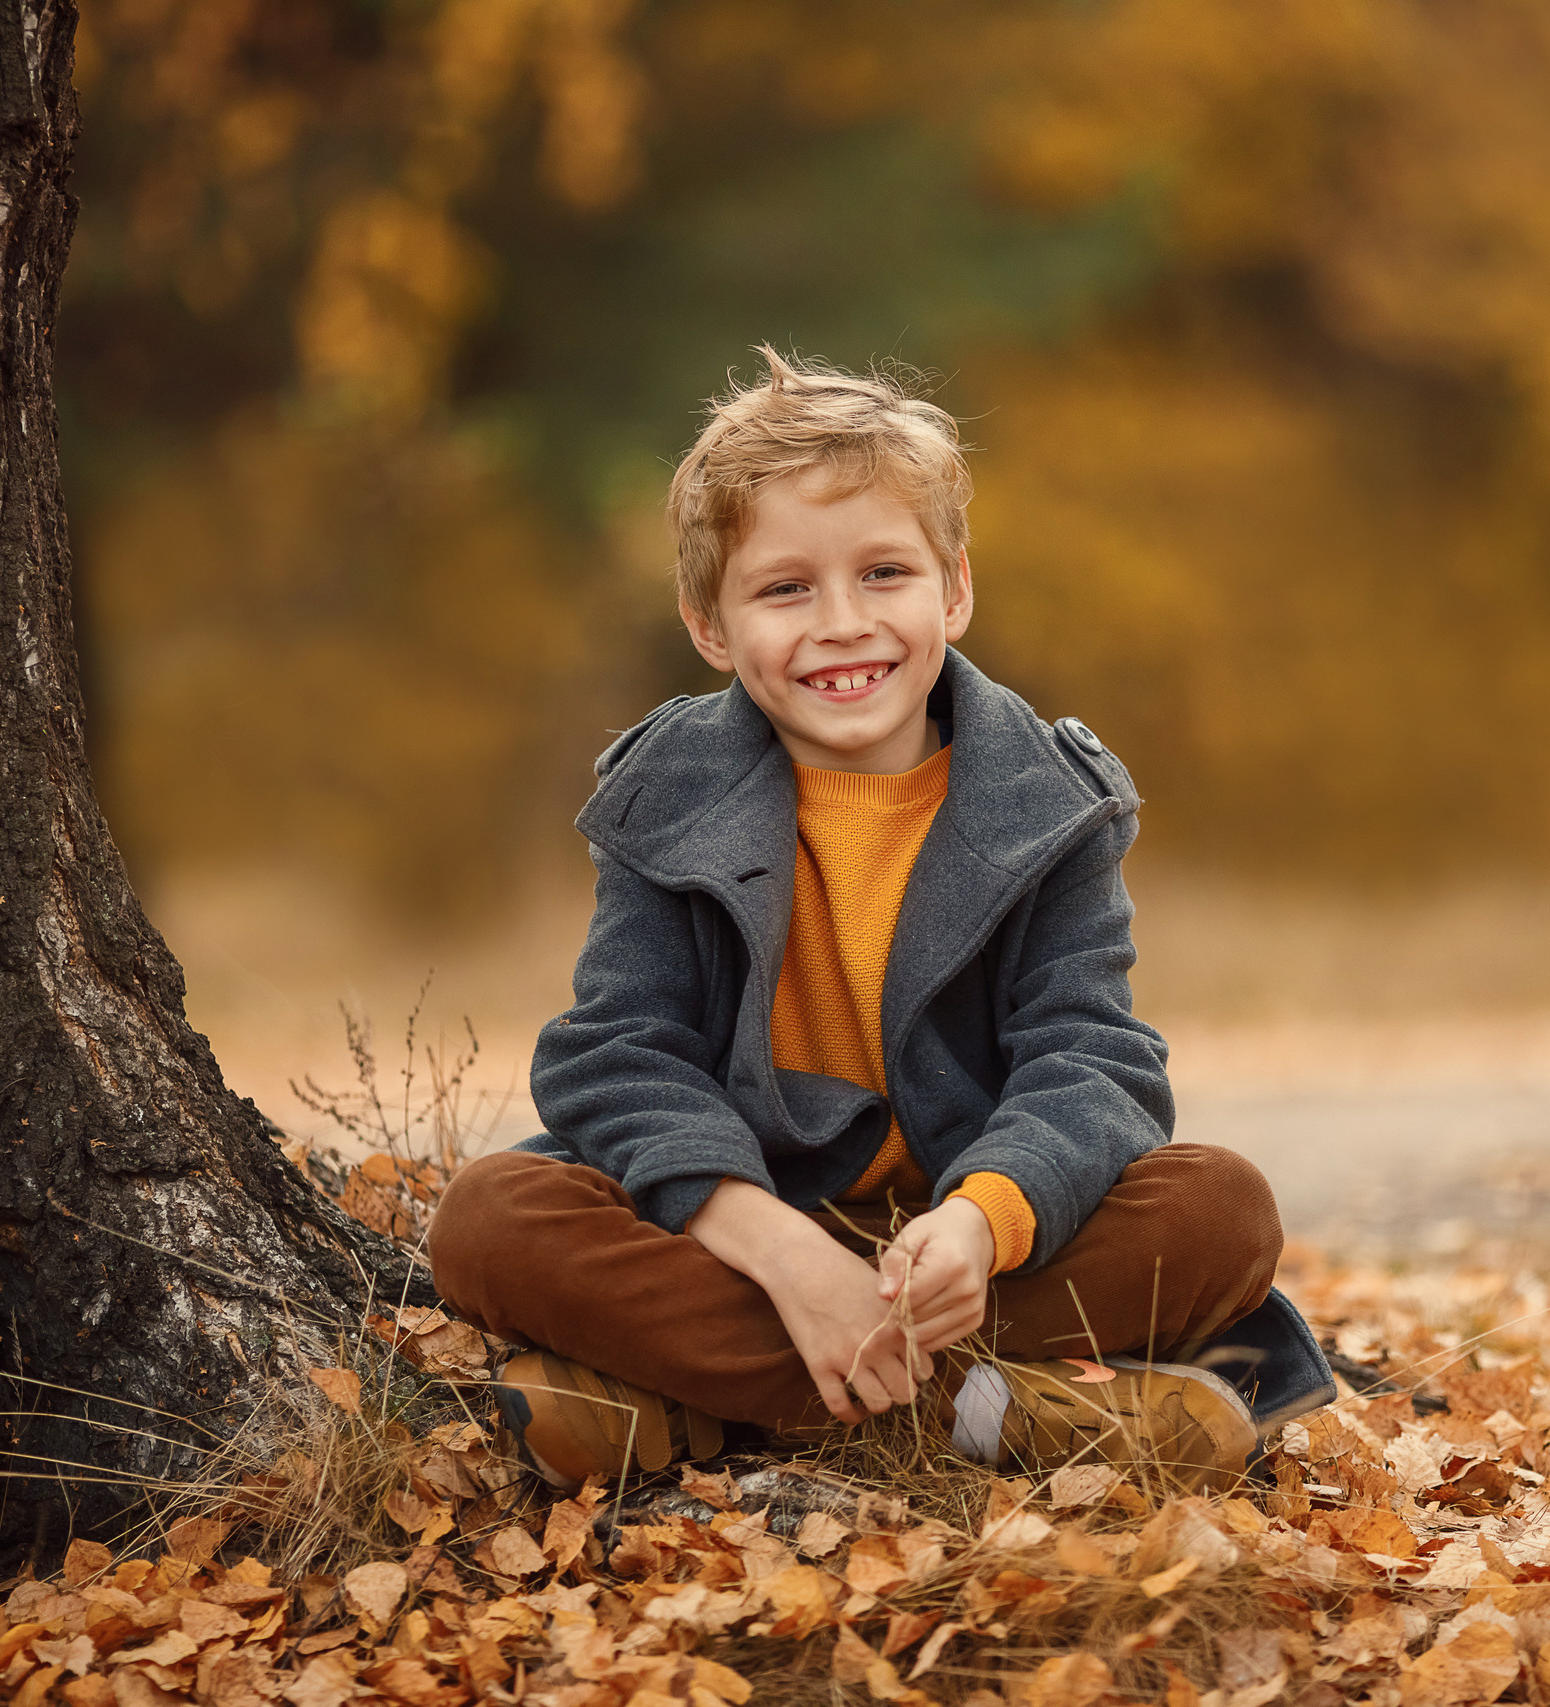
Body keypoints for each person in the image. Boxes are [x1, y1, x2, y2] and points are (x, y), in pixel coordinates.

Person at [428, 348, 1332, 1490]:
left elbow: (1090, 1058)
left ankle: (698, 1406)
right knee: (490, 1219)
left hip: (962, 1246)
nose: (842, 623)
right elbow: (618, 1055)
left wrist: (982, 1223)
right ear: (711, 627)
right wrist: (781, 1252)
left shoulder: (1049, 803)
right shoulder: (669, 790)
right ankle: (986, 1411)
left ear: (953, 590)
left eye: (884, 573)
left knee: (1219, 1210)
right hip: (741, 1233)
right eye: (785, 589)